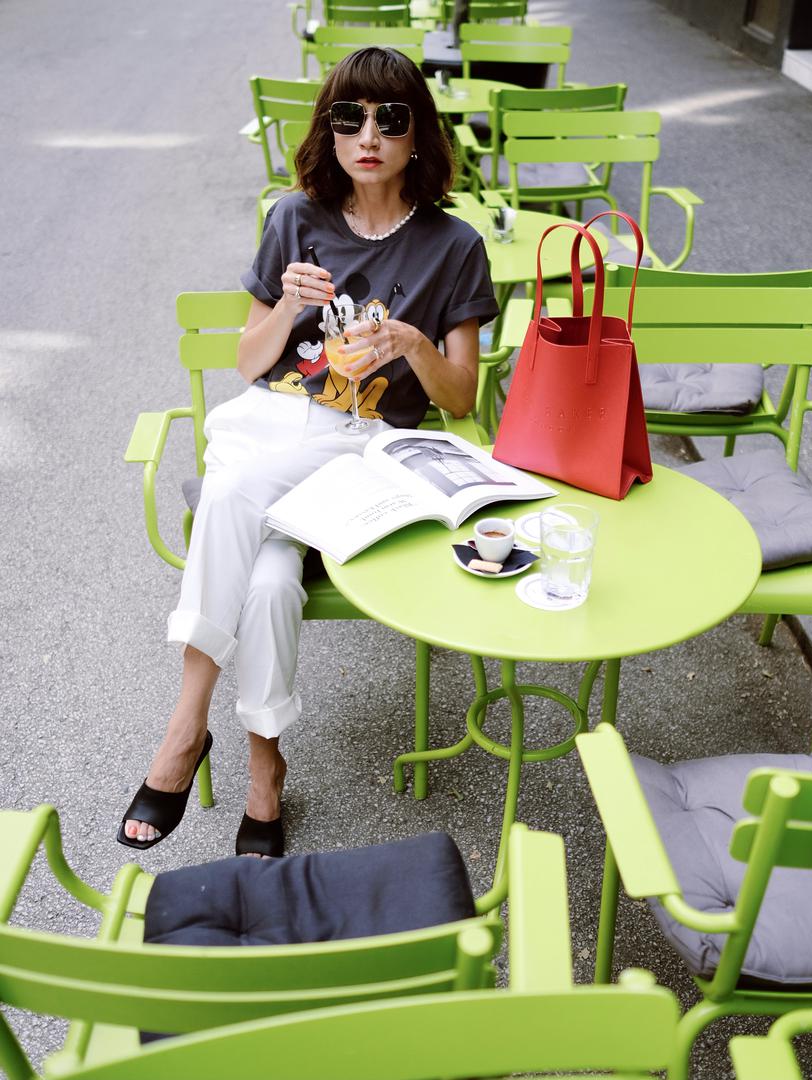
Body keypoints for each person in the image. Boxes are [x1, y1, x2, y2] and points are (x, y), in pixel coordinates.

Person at [117, 47, 498, 857]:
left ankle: (184, 729)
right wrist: (289, 308)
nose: (369, 136)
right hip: (270, 427)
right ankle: (264, 772)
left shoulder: (454, 245)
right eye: (349, 118)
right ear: (329, 131)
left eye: (391, 119)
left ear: (419, 134)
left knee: (228, 496)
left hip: (364, 449)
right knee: (268, 581)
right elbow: (248, 365)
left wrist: (412, 343)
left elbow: (462, 397)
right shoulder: (295, 218)